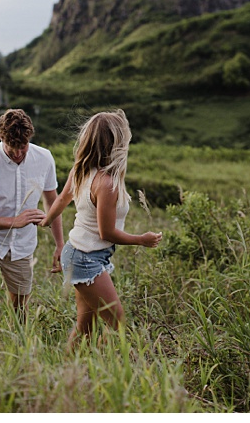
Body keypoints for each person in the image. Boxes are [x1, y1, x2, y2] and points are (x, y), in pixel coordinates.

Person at [39, 110, 162, 347]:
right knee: (121, 326)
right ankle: (137, 372)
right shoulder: (107, 184)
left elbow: (62, 200)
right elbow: (107, 233)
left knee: (86, 328)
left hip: (80, 254)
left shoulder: (81, 171)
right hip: (86, 258)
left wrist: (46, 220)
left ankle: (68, 374)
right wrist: (141, 240)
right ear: (115, 144)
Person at [0, 109, 64, 323]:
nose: (18, 154)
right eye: (12, 147)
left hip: (22, 248)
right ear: (0, 137)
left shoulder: (44, 158)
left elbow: (52, 201)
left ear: (30, 137)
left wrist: (60, 244)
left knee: (20, 314)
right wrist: (12, 222)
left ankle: (19, 353)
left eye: (23, 147)